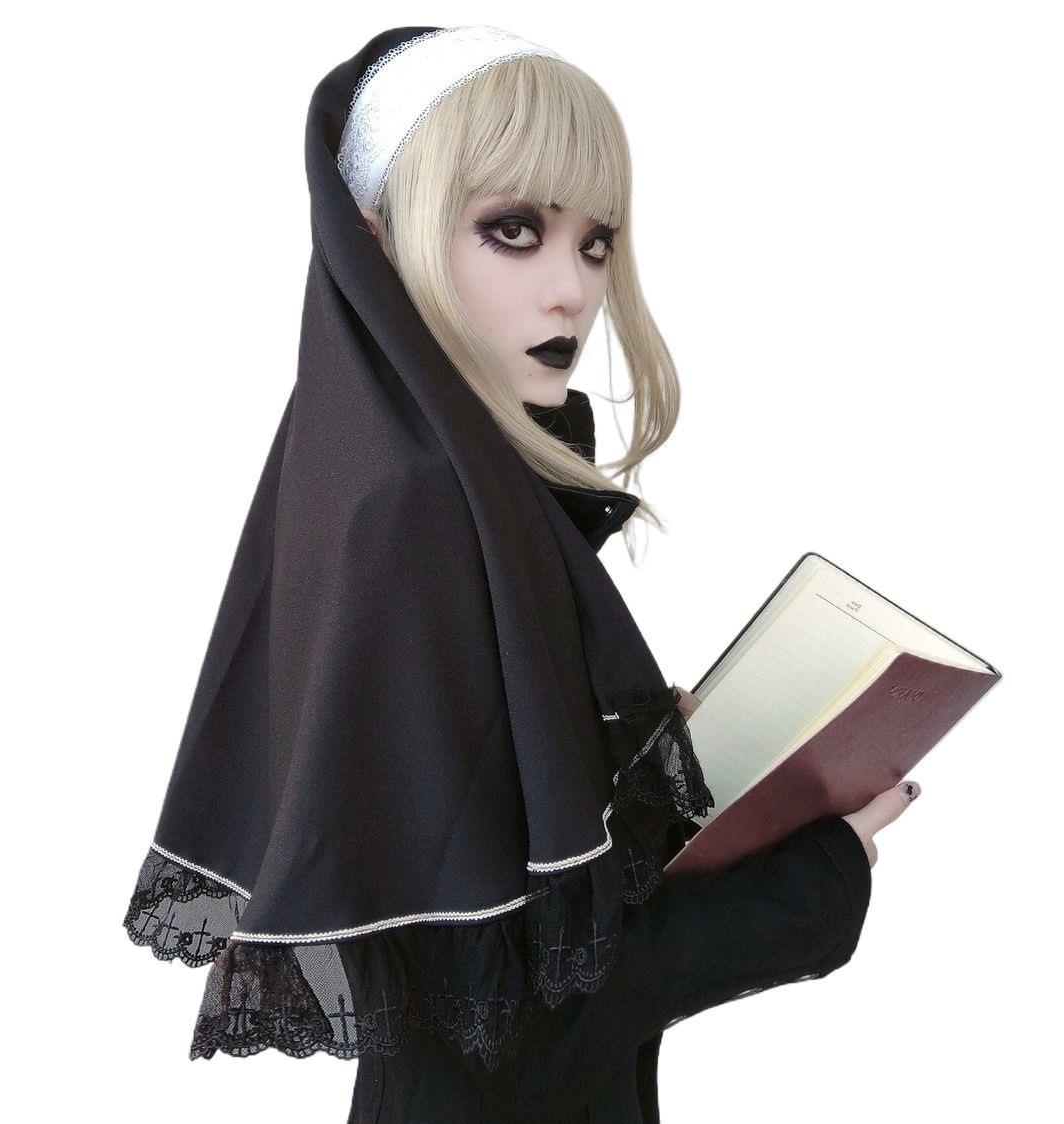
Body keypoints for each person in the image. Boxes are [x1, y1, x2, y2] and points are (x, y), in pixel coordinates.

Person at [121, 25, 920, 1123]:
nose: (571, 291)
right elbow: (523, 1016)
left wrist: (634, 765)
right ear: (381, 233)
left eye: (595, 244)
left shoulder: (403, 471)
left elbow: (497, 872)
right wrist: (816, 879)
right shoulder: (417, 511)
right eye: (513, 230)